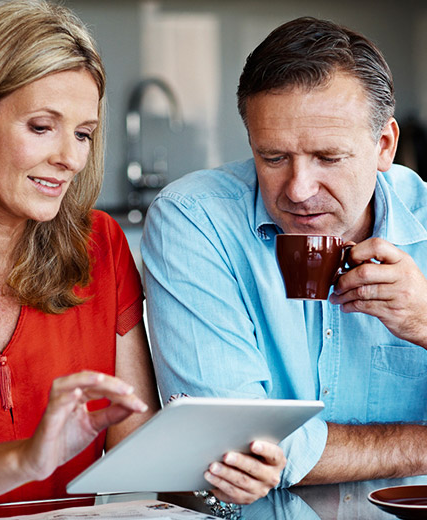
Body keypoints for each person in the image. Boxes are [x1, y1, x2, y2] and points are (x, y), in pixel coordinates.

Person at [142, 14, 427, 503]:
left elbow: (270, 451)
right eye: (273, 158)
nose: (298, 190)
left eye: (328, 158)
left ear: (384, 146)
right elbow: (229, 441)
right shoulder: (194, 219)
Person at [0, 1, 161, 518]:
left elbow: (143, 458)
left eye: (84, 133)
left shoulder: (100, 245)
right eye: (42, 127)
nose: (70, 157)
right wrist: (24, 460)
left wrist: (219, 476)